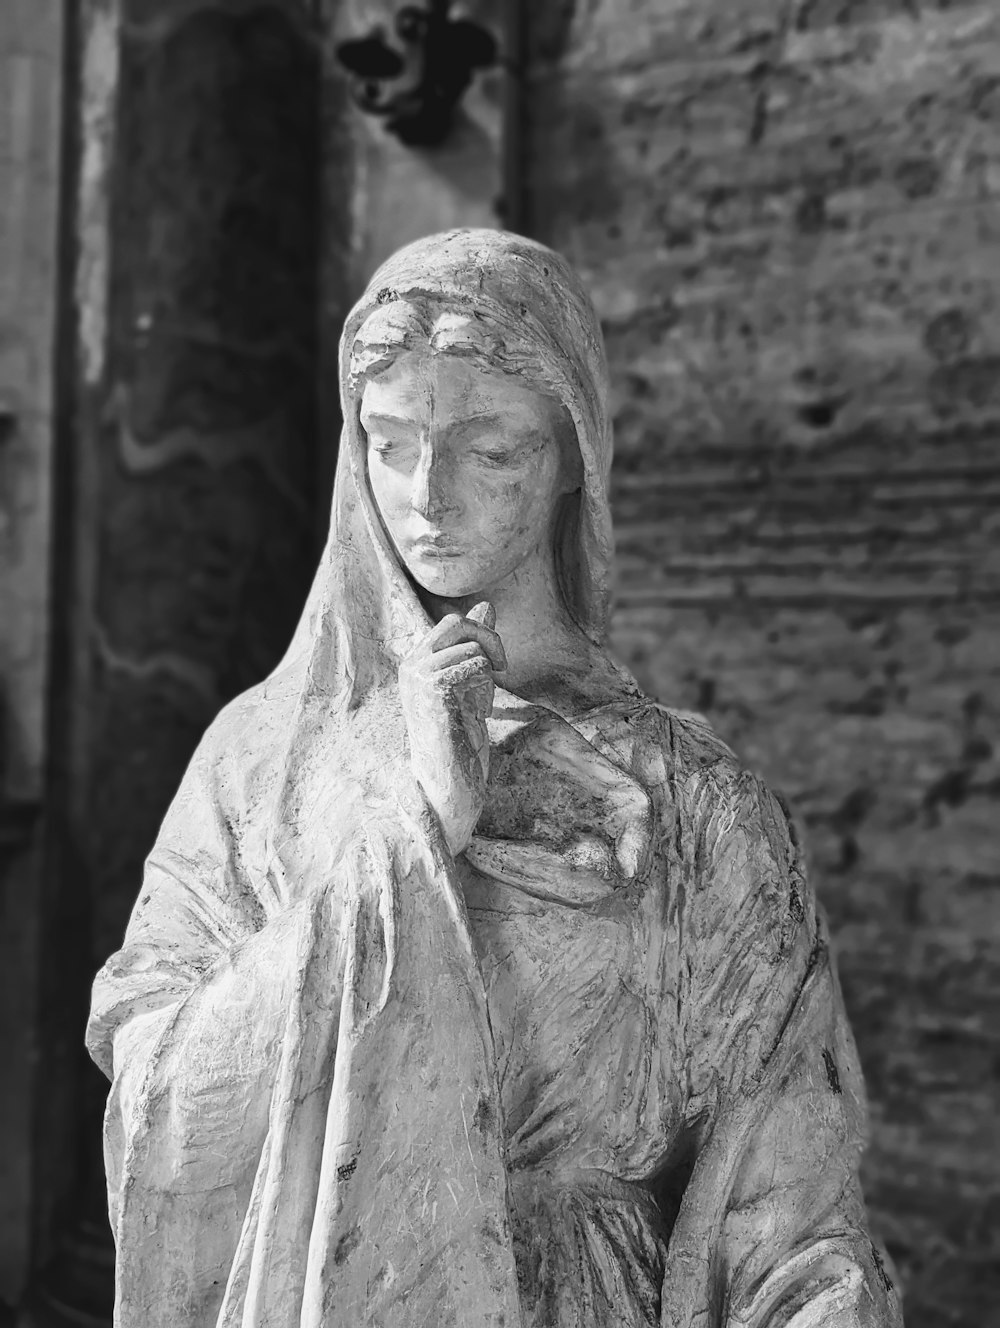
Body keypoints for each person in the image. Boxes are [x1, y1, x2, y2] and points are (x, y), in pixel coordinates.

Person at [87, 228, 903, 1328]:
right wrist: (405, 831)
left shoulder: (695, 801)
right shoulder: (265, 755)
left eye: (489, 450)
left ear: (572, 456)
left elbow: (791, 1208)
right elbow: (167, 1107)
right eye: (389, 440)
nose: (427, 494)